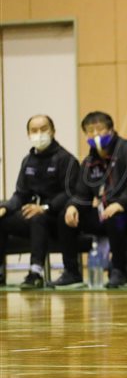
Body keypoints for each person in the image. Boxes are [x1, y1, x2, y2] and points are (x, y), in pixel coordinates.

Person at [54, 111, 127, 288]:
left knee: (115, 217)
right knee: (65, 216)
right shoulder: (89, 161)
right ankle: (71, 272)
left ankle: (119, 270)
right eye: (90, 131)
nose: (95, 134)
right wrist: (73, 206)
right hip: (103, 213)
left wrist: (120, 203)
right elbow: (82, 193)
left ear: (111, 130)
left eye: (100, 129)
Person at [0, 115, 79, 289]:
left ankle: (35, 273)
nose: (39, 134)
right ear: (28, 134)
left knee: (37, 218)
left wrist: (44, 208)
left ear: (53, 131)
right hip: (33, 215)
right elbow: (21, 194)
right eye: (34, 130)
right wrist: (5, 208)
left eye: (44, 129)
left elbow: (69, 193)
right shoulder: (28, 160)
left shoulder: (66, 159)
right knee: (3, 219)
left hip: (56, 217)